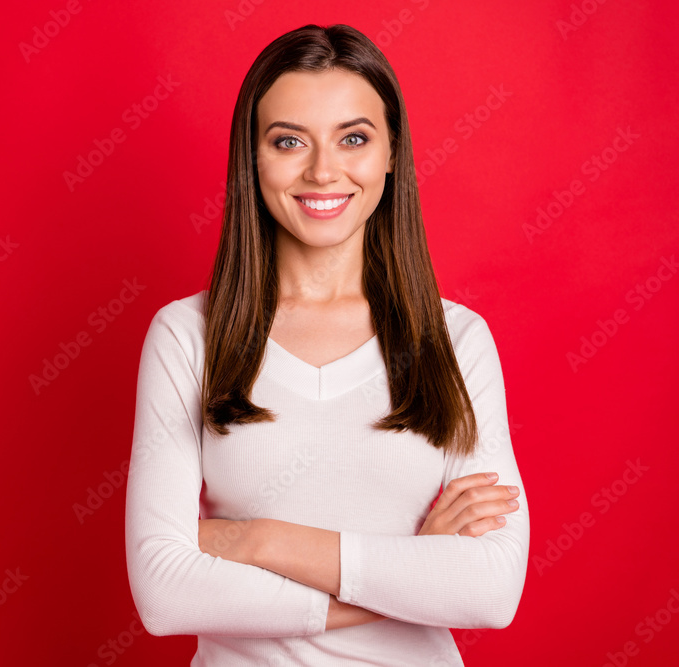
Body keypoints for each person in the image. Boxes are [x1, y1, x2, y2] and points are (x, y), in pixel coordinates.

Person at [124, 23, 529, 666]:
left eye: (354, 139)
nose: (322, 171)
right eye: (289, 141)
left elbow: (489, 589)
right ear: (251, 157)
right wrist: (411, 570)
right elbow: (164, 593)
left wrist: (255, 540)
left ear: (391, 152)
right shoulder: (187, 336)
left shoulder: (457, 341)